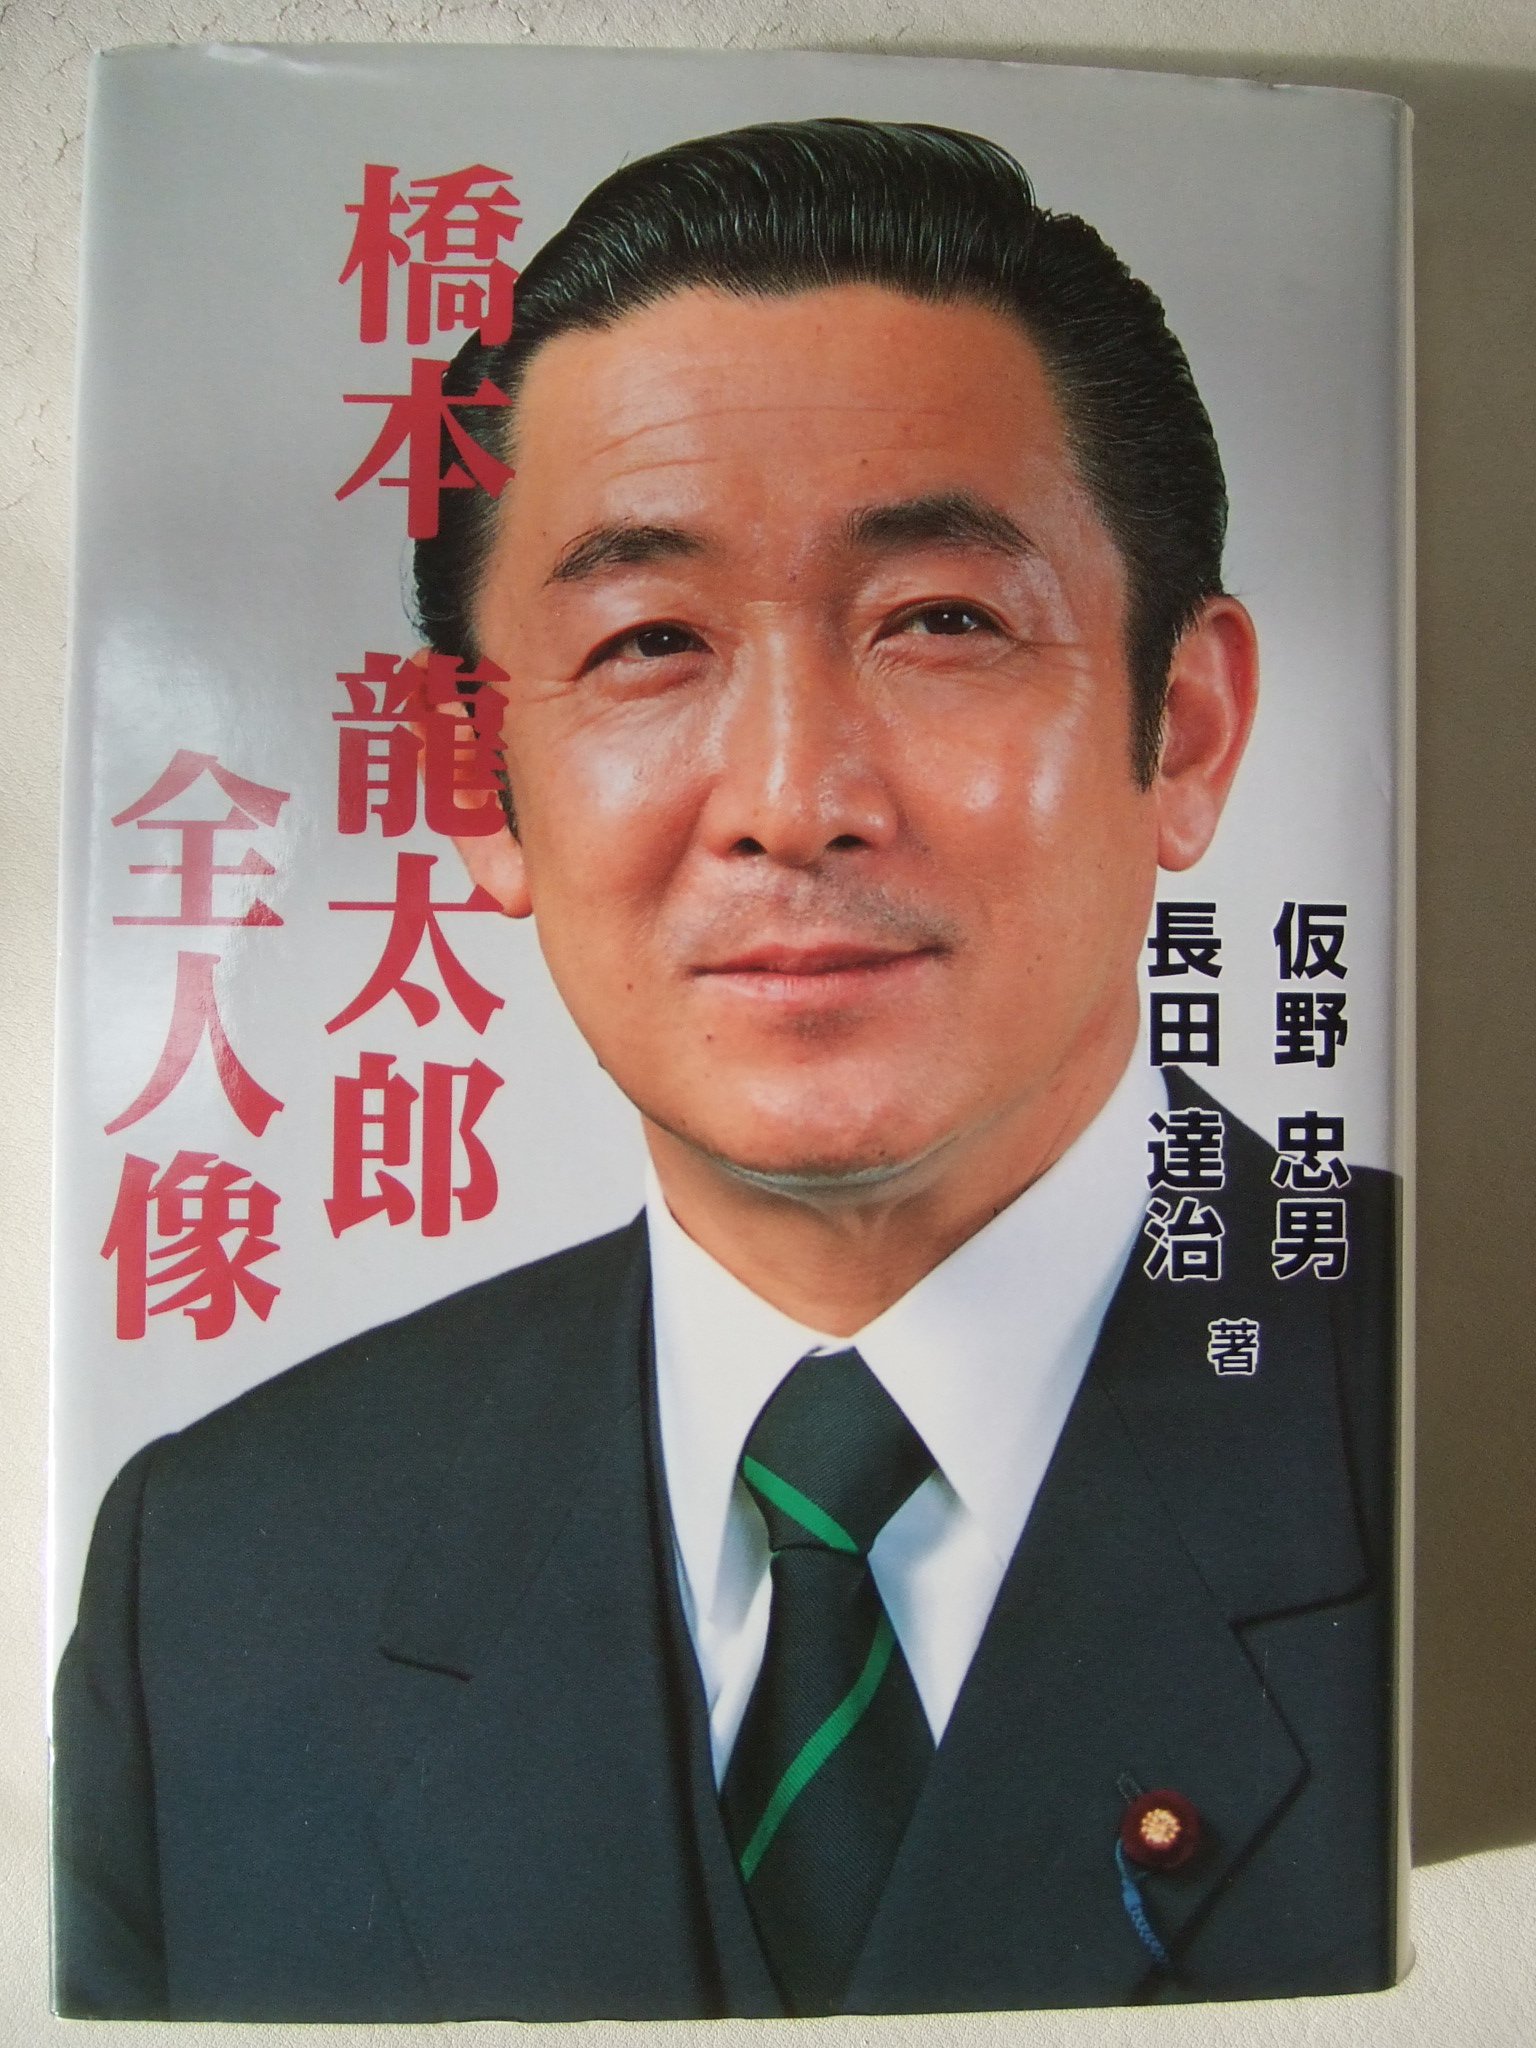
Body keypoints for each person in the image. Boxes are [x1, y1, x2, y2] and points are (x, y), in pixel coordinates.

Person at [53, 118, 1399, 2022]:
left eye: (940, 622)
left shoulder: (1459, 1399)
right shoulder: (219, 1579)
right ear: (475, 784)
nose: (790, 801)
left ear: (1180, 728)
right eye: (650, 640)